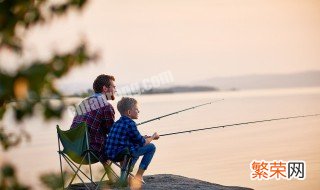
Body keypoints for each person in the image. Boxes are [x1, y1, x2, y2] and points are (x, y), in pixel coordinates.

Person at [70, 74, 117, 180]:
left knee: (100, 139)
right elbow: (112, 133)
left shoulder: (83, 103)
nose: (115, 90)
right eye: (113, 87)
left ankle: (112, 177)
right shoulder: (106, 106)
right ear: (105, 88)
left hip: (73, 150)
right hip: (90, 152)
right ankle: (122, 178)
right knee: (120, 142)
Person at [105, 97, 159, 187]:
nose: (138, 111)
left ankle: (125, 176)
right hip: (122, 154)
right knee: (151, 147)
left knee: (134, 146)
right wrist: (153, 137)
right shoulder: (131, 123)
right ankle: (138, 176)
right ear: (129, 112)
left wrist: (143, 137)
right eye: (137, 109)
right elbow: (143, 143)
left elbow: (128, 138)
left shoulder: (117, 123)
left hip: (110, 154)